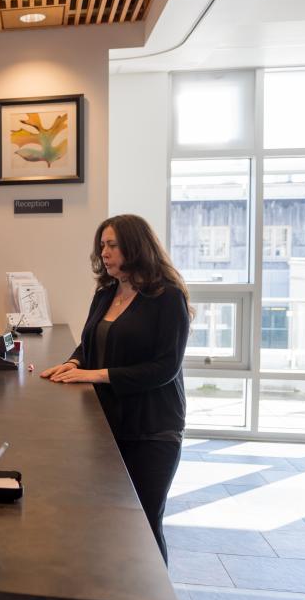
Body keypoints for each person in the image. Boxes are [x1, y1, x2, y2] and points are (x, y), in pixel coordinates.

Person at [40, 214, 192, 564]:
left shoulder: (168, 297)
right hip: (108, 425)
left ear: (136, 247)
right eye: (102, 246)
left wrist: (96, 375)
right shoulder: (106, 292)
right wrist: (76, 363)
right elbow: (90, 339)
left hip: (153, 429)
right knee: (109, 519)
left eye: (113, 245)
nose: (104, 253)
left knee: (145, 522)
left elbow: (166, 368)